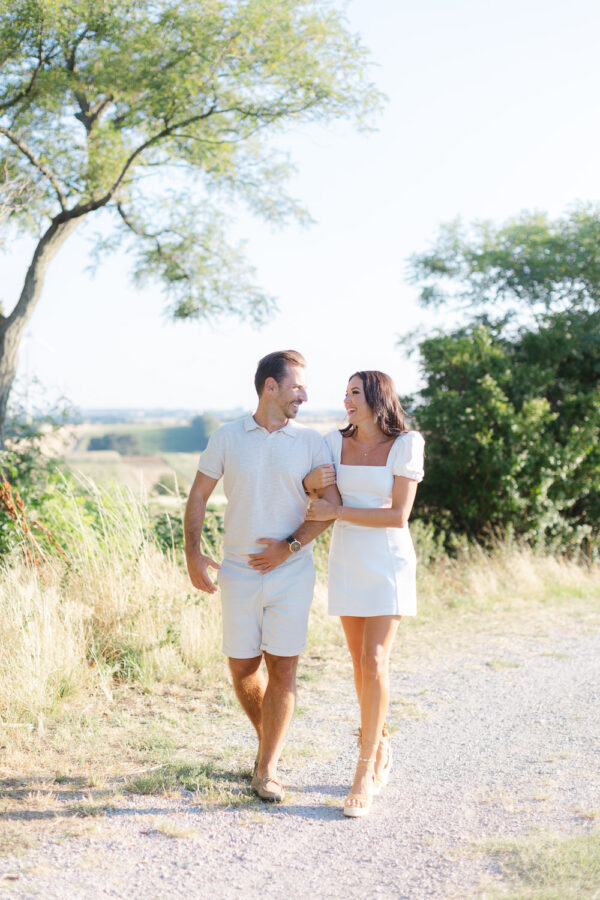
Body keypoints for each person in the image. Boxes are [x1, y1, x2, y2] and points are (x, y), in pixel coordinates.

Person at [184, 350, 337, 803]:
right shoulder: (228, 437)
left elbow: (329, 510)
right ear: (270, 386)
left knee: (283, 667)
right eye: (296, 388)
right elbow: (197, 497)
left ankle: (267, 769)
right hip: (238, 572)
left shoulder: (312, 442)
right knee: (243, 668)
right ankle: (268, 742)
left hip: (292, 572)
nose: (304, 396)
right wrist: (193, 553)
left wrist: (287, 546)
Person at [304, 370, 424, 818]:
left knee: (375, 660)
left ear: (377, 398)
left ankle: (363, 769)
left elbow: (397, 516)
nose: (346, 400)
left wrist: (336, 510)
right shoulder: (331, 444)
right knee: (358, 664)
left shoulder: (407, 444)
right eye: (346, 392)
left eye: (355, 393)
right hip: (348, 560)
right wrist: (313, 491)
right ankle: (382, 742)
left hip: (388, 561)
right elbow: (320, 496)